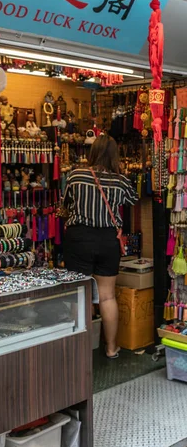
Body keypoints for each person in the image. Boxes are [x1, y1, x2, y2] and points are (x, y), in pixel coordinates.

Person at [63, 134, 139, 359]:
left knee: (80, 294)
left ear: (92, 152)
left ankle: (80, 350)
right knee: (107, 296)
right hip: (108, 240)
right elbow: (134, 200)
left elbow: (66, 202)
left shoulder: (76, 176)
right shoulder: (121, 180)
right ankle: (111, 348)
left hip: (79, 238)